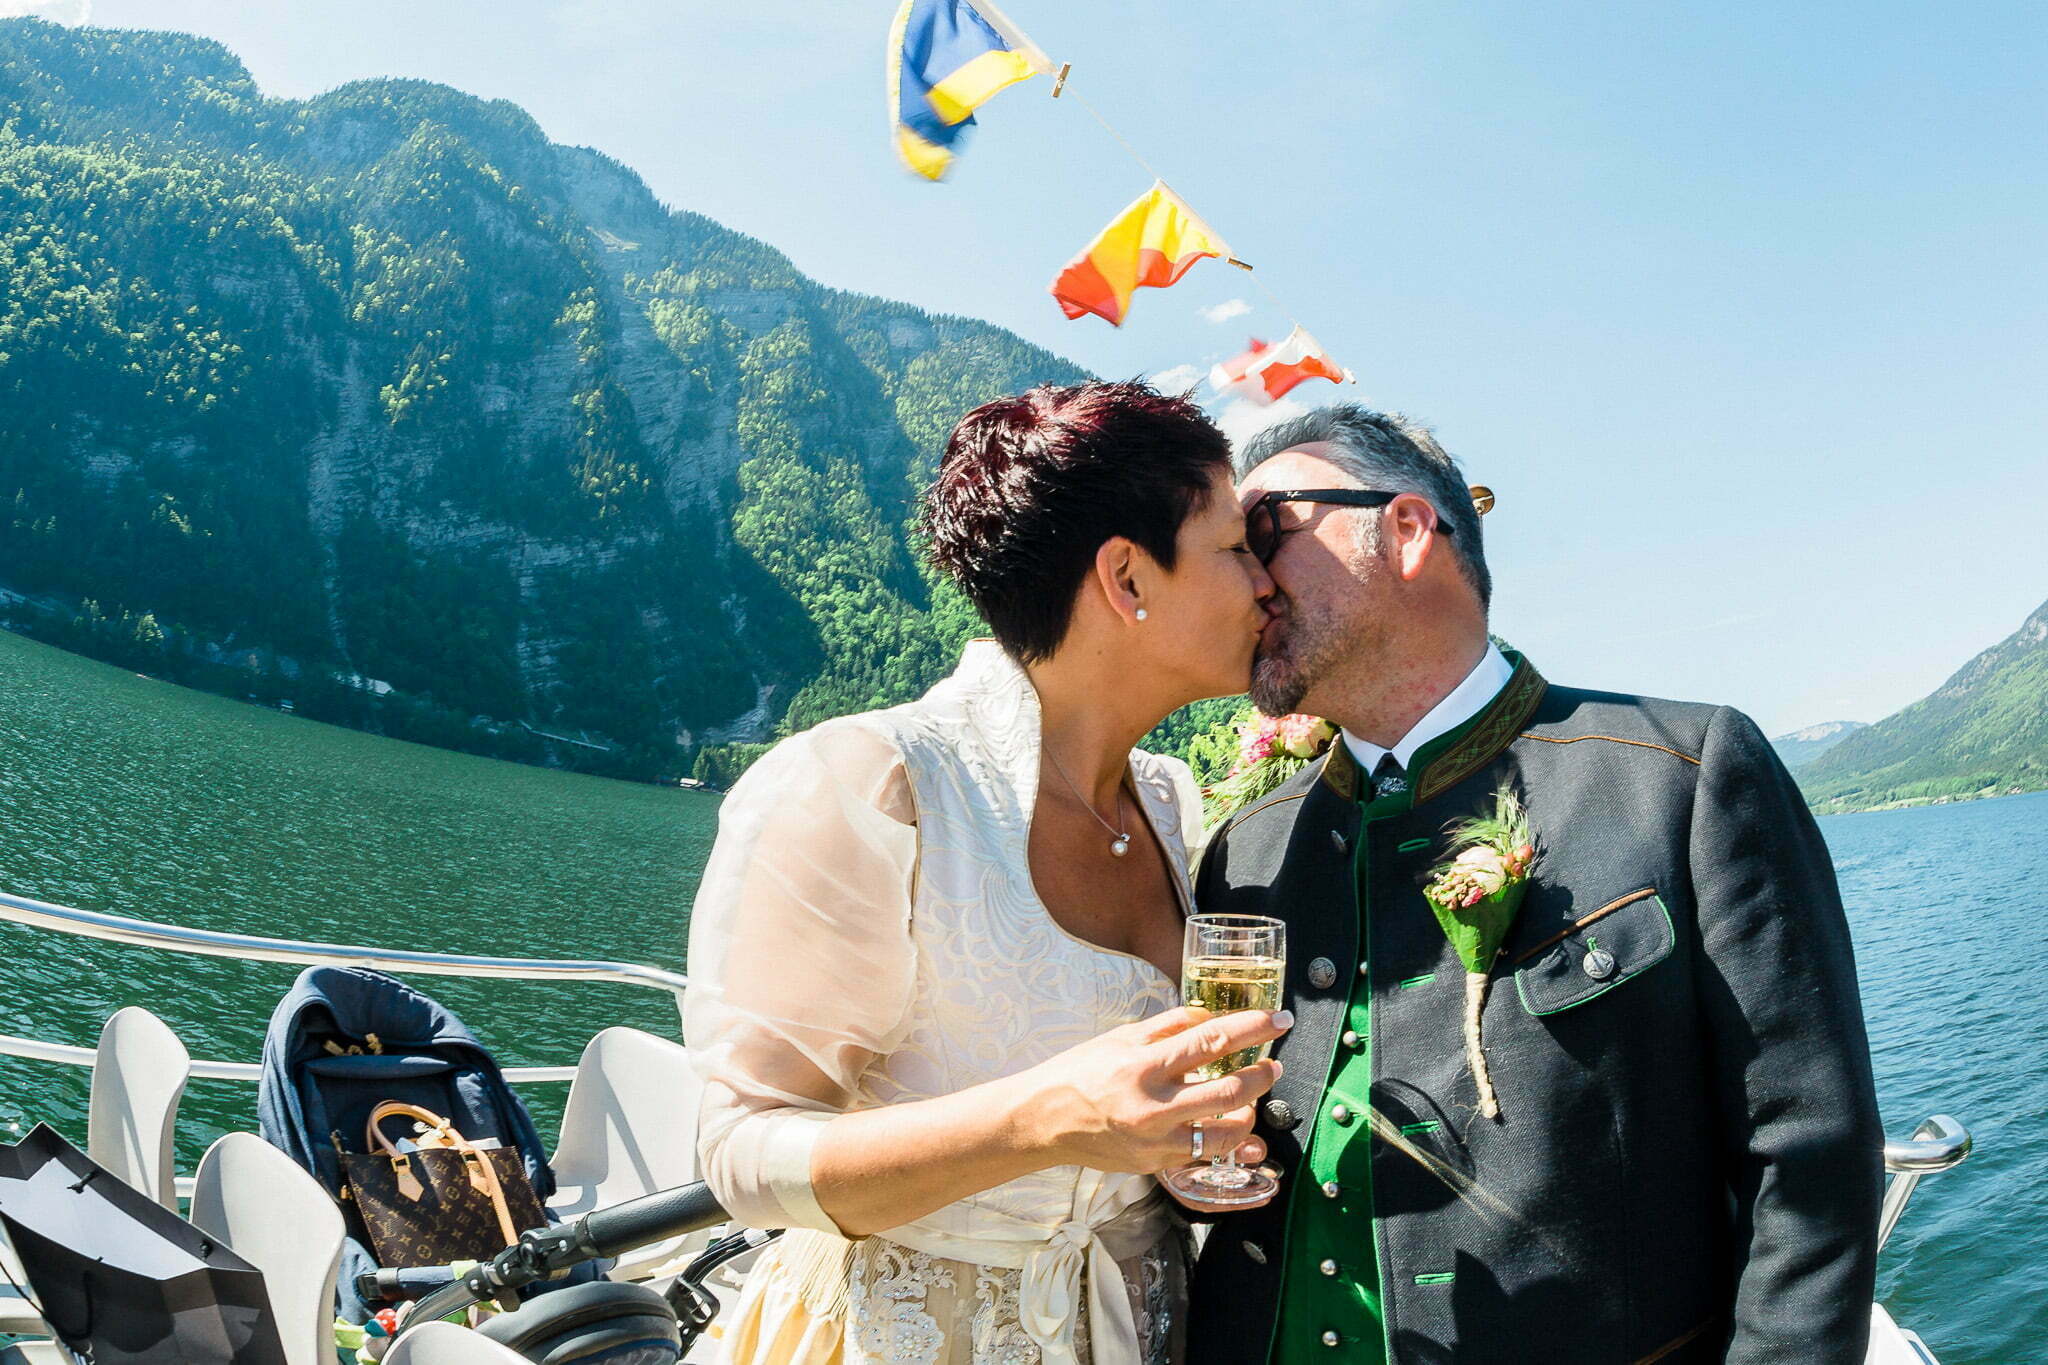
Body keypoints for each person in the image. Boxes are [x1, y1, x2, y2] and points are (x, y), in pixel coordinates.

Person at [1187, 406, 1883, 1364]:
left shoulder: (1680, 776)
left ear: (1405, 531)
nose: (1248, 578)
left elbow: (1808, 1160)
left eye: (1267, 529)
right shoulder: (1245, 850)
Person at [686, 380, 1294, 1365]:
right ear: (1126, 578)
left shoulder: (1173, 802)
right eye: (1233, 550)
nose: (1266, 583)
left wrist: (1178, 1158)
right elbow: (742, 1158)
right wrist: (1049, 1118)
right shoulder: (868, 784)